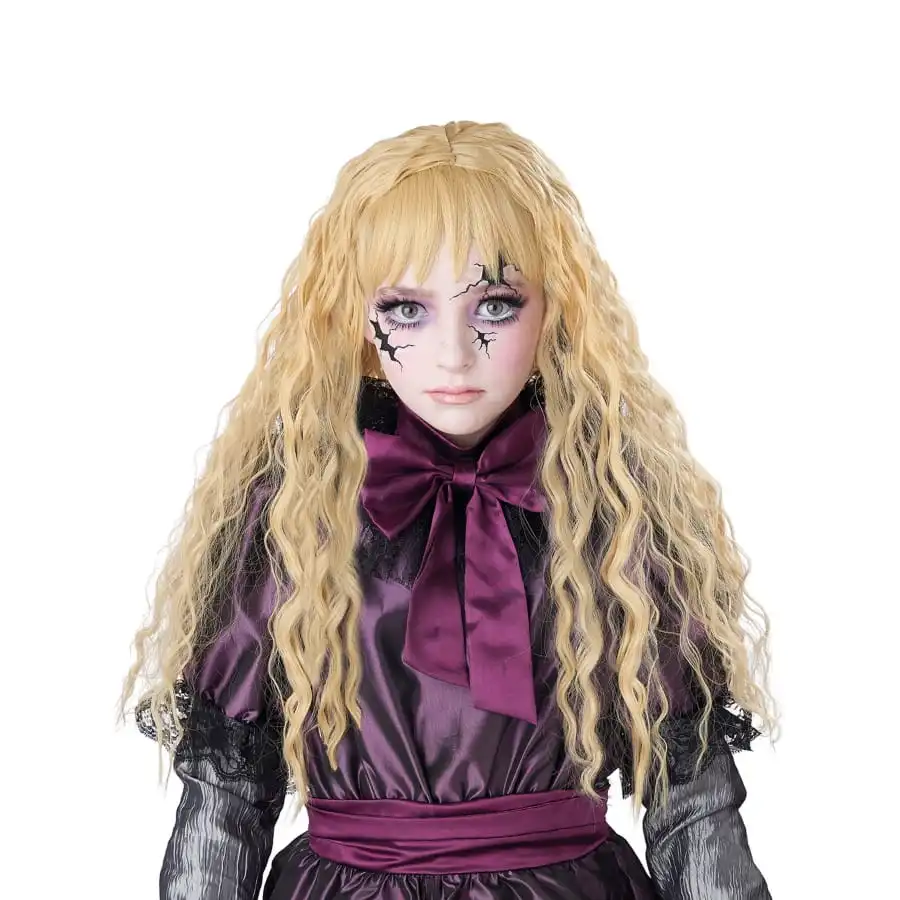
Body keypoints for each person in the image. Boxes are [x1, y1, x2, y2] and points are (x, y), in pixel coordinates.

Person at [119, 120, 778, 899]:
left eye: (494, 305)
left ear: (555, 309)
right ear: (354, 316)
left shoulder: (611, 505)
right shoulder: (295, 508)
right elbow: (224, 805)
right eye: (407, 310)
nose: (454, 355)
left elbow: (693, 810)